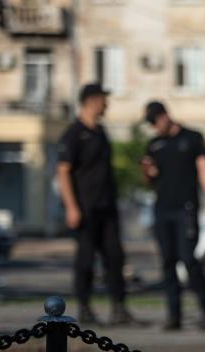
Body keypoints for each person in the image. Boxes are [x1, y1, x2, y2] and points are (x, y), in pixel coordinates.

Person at [57, 83, 138, 326]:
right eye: (104, 99)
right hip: (85, 208)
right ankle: (85, 308)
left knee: (115, 257)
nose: (106, 104)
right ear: (91, 101)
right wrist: (71, 207)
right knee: (85, 260)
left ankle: (119, 308)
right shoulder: (73, 133)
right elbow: (63, 172)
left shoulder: (101, 132)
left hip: (107, 206)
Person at [140, 101, 205, 331]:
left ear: (166, 115)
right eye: (152, 123)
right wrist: (147, 171)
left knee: (188, 259)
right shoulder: (154, 144)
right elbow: (149, 181)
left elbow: (204, 171)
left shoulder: (193, 138)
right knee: (167, 262)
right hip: (162, 209)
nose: (156, 126)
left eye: (156, 120)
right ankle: (174, 316)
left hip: (186, 208)